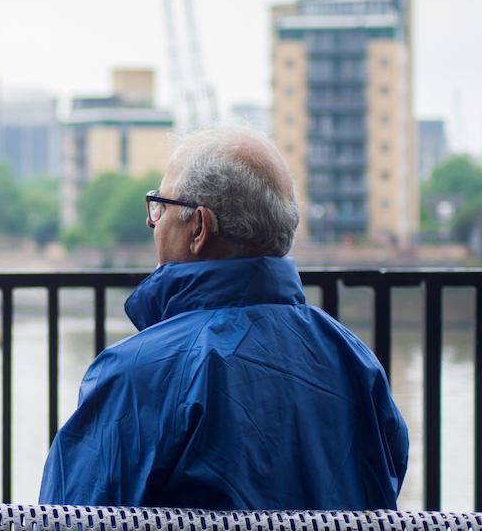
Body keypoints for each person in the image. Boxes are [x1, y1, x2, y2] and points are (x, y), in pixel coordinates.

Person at [38, 126, 408, 510]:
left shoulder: (137, 375)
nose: (153, 222)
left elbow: (70, 514)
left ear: (199, 227)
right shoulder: (355, 363)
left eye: (160, 206)